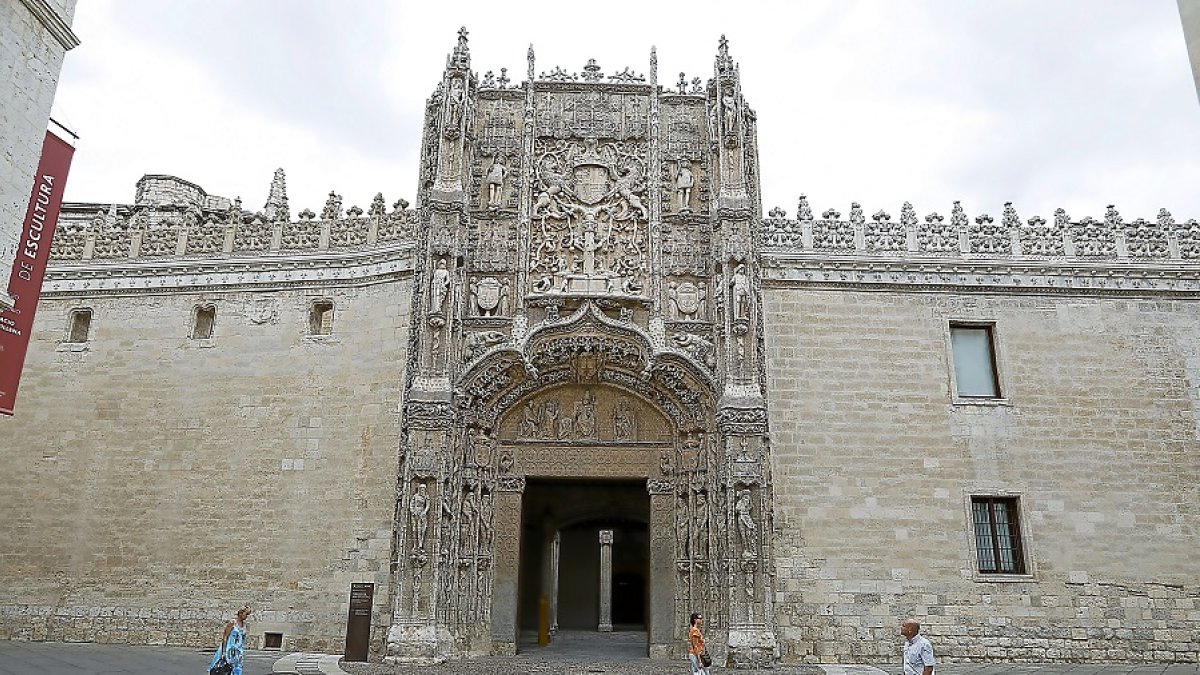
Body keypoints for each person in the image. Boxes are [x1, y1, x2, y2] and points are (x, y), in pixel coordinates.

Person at [208, 605, 251, 675]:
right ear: (240, 613)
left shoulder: (244, 625)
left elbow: (242, 639)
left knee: (236, 669)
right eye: (246, 614)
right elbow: (225, 637)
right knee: (225, 669)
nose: (246, 616)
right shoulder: (232, 623)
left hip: (238, 652)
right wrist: (223, 652)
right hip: (229, 649)